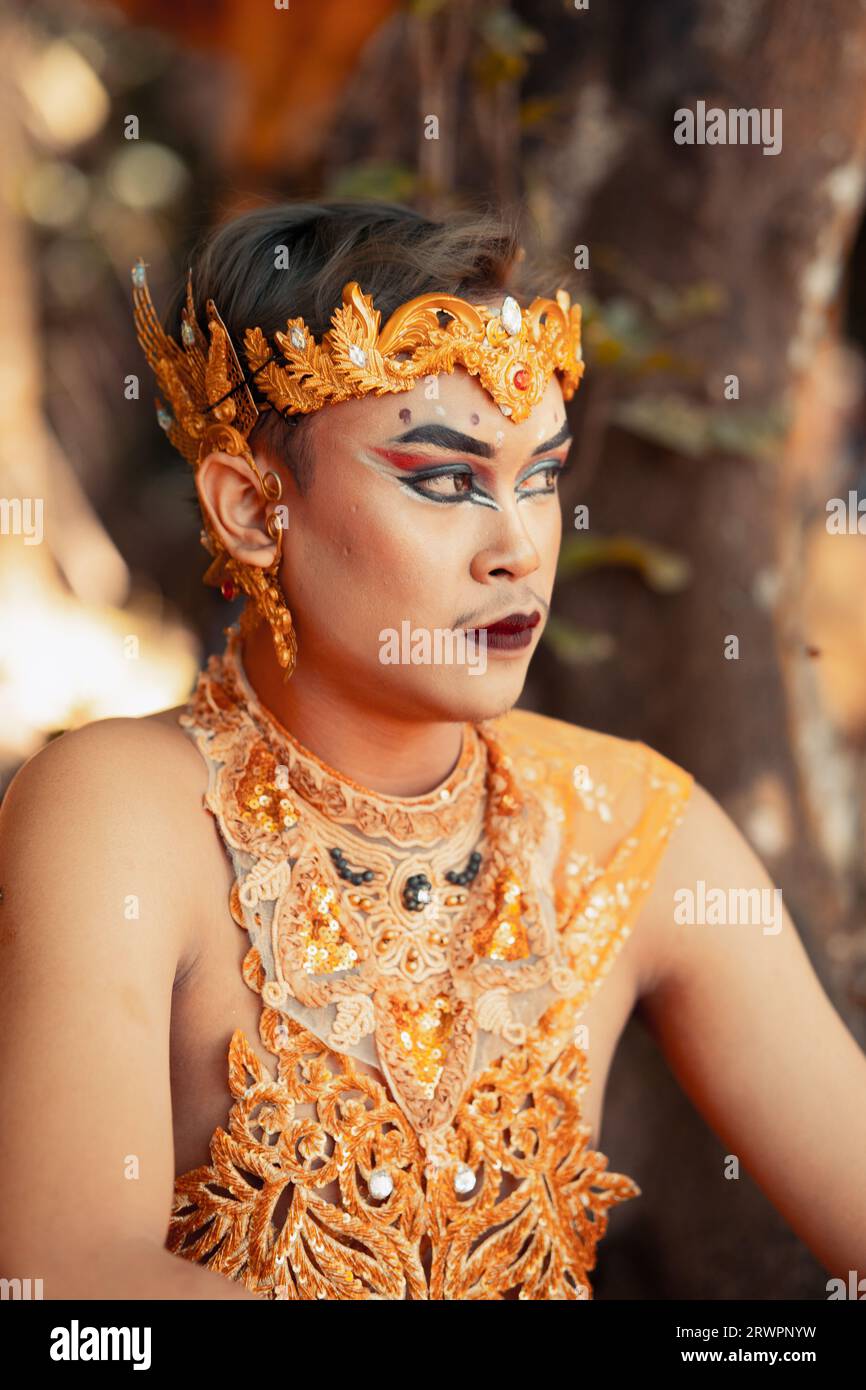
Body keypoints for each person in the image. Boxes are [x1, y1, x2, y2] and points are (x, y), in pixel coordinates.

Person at [1, 200, 864, 1302]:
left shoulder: (628, 824)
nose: (516, 549)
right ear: (254, 510)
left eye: (540, 477)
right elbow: (64, 1284)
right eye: (445, 480)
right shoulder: (118, 813)